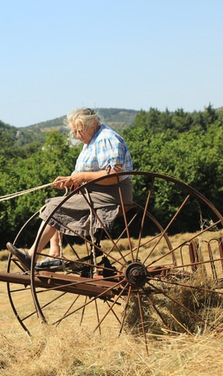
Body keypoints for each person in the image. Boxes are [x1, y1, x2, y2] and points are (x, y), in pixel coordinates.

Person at [7, 108, 133, 270]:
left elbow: (113, 176)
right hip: (96, 191)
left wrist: (81, 177)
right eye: (74, 131)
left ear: (93, 123)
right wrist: (71, 180)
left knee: (54, 207)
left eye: (79, 130)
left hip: (113, 193)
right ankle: (54, 253)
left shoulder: (105, 139)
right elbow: (88, 173)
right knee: (54, 203)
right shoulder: (91, 142)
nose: (76, 135)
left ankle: (31, 256)